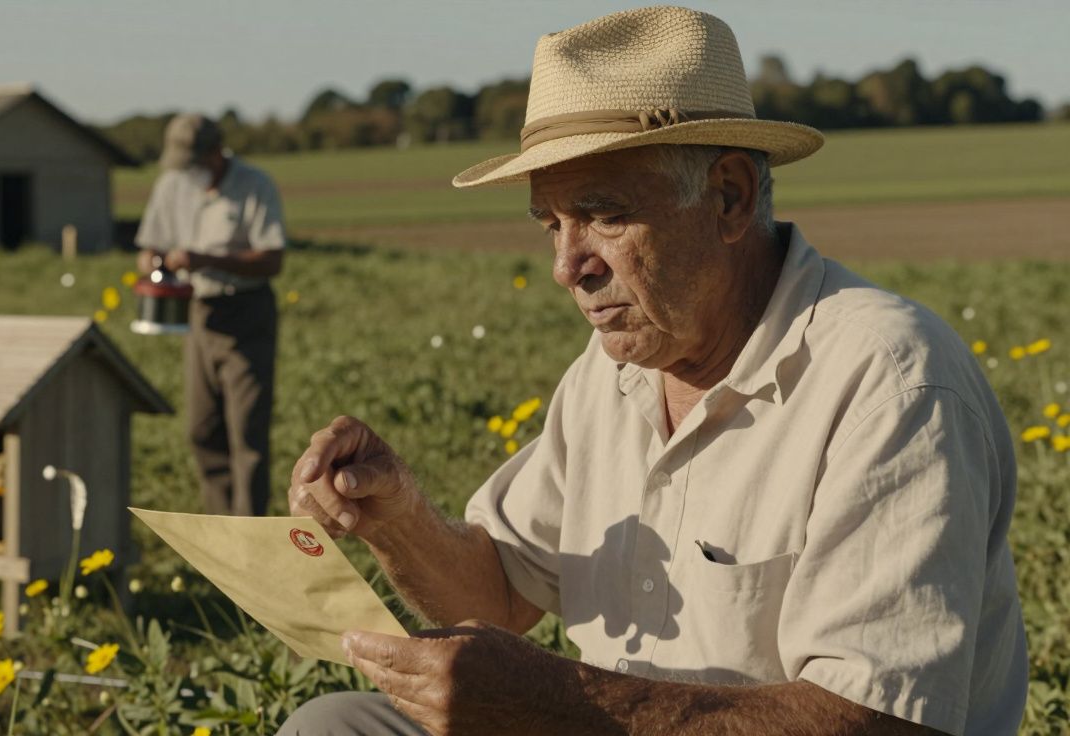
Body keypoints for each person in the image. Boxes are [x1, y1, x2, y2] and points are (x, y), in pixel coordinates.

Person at [280, 7, 1026, 736]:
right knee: (335, 721)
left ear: (729, 196)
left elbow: (880, 722)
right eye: (552, 224)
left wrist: (559, 706)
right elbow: (500, 592)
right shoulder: (616, 372)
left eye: (603, 215)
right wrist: (398, 519)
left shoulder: (888, 378)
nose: (567, 267)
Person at [135, 114, 286, 516]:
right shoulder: (171, 184)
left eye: (192, 165)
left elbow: (272, 259)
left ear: (215, 154)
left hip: (247, 312)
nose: (185, 174)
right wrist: (154, 262)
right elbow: (148, 247)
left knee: (247, 435)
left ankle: (249, 535)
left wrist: (206, 259)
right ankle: (222, 532)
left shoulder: (255, 185)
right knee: (201, 429)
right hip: (197, 313)